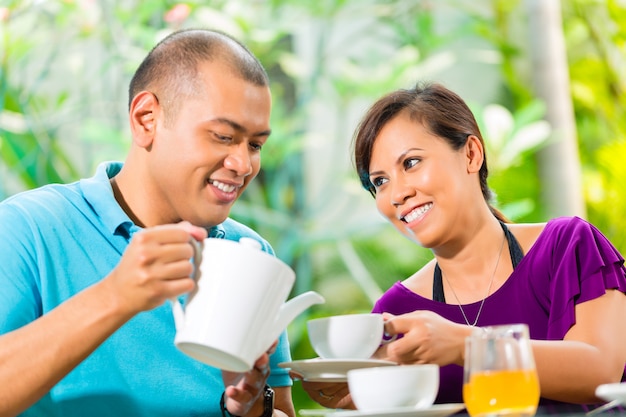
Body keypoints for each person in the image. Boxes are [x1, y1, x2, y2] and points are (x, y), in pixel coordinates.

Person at [0, 28, 296, 417]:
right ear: (146, 119)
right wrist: (116, 296)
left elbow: (282, 412)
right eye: (224, 136)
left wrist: (253, 406)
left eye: (255, 144)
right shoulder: (26, 229)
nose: (243, 165)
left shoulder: (249, 253)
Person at [298, 82, 626, 413]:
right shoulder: (396, 312)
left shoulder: (566, 247)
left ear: (471, 154)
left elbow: (601, 372)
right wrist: (360, 394)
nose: (397, 194)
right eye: (380, 182)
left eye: (411, 163)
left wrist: (465, 345)